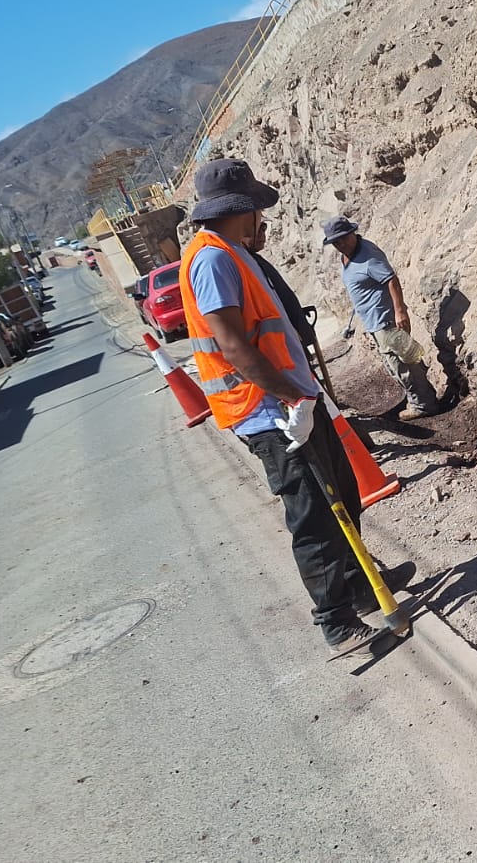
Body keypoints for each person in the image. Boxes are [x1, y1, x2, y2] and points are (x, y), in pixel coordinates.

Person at [178, 159, 408, 662]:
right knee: (313, 516)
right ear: (241, 210)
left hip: (295, 399)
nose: (264, 219)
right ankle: (336, 621)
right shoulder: (212, 258)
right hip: (269, 411)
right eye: (259, 209)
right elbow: (235, 346)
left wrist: (304, 395)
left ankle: (361, 584)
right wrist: (289, 400)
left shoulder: (234, 253)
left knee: (343, 492)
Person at [320, 216, 439, 420]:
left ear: (352, 234)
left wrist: (399, 310)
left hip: (385, 319)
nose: (339, 245)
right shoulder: (347, 256)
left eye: (342, 239)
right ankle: (426, 395)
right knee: (404, 357)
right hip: (373, 321)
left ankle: (422, 404)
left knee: (401, 363)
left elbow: (390, 279)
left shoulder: (368, 254)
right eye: (335, 242)